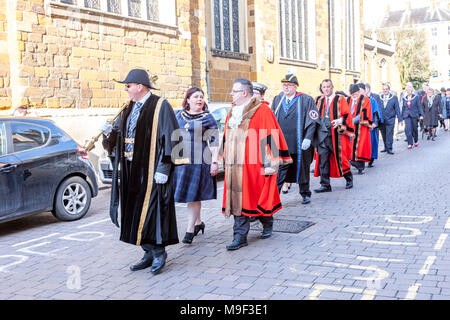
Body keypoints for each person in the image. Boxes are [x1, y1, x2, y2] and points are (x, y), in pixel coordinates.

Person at [101, 69, 188, 275]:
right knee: (135, 211)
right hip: (132, 168)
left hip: (152, 169)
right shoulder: (128, 108)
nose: (126, 89)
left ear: (140, 86)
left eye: (128, 86)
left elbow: (173, 137)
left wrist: (164, 167)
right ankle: (147, 251)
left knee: (153, 212)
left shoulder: (160, 106)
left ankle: (159, 253)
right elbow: (119, 139)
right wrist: (109, 134)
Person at [221, 78, 292, 250]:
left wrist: (271, 163)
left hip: (255, 164)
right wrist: (222, 156)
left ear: (244, 93)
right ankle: (239, 236)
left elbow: (270, 136)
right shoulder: (233, 110)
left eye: (234, 91)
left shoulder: (262, 110)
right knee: (239, 199)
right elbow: (226, 135)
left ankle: (267, 222)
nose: (231, 93)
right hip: (235, 164)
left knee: (257, 197)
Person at [172, 87, 219, 244]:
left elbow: (214, 142)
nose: (199, 99)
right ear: (187, 100)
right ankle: (199, 223)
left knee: (193, 195)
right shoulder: (178, 115)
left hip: (199, 161)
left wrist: (214, 162)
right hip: (181, 162)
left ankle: (190, 230)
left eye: (201, 97)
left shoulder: (208, 118)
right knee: (189, 195)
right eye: (196, 96)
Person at [271, 74, 327, 204]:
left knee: (302, 169)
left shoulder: (306, 99)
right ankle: (273, 198)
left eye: (289, 85)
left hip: (300, 143)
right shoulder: (277, 99)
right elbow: (271, 119)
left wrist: (308, 138)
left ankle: (305, 193)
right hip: (281, 144)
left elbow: (313, 120)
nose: (286, 87)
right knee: (279, 171)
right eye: (284, 85)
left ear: (295, 86)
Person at [313, 79, 354, 192]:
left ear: (332, 87)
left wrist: (340, 121)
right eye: (324, 87)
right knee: (323, 160)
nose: (326, 89)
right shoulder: (319, 100)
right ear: (322, 88)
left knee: (342, 159)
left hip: (336, 135)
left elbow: (347, 115)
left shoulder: (340, 99)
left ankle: (349, 179)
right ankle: (325, 185)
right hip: (322, 135)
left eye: (328, 87)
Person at [347, 84, 372, 175]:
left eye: (355, 93)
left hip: (361, 127)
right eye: (352, 94)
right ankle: (353, 162)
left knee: (360, 147)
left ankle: (360, 167)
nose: (354, 95)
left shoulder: (365, 100)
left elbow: (365, 113)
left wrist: (353, 120)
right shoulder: (348, 100)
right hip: (350, 127)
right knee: (350, 146)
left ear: (358, 92)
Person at [379, 83, 403, 154]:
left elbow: (397, 109)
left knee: (389, 134)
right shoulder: (380, 97)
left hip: (390, 119)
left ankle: (389, 148)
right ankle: (385, 147)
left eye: (386, 89)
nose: (385, 90)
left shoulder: (394, 97)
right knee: (383, 134)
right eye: (384, 89)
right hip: (382, 120)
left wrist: (400, 119)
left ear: (389, 90)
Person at [365, 83, 383, 167]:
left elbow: (376, 111)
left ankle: (371, 159)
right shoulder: (358, 100)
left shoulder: (373, 99)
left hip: (370, 125)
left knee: (371, 142)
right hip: (361, 126)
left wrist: (375, 123)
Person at [401, 82, 423, 149]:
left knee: (415, 129)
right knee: (408, 129)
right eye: (407, 90)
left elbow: (419, 106)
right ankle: (410, 143)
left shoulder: (416, 97)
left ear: (412, 90)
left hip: (414, 115)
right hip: (406, 116)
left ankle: (416, 141)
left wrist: (421, 114)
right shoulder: (404, 98)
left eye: (409, 90)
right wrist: (401, 118)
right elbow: (403, 108)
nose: (408, 91)